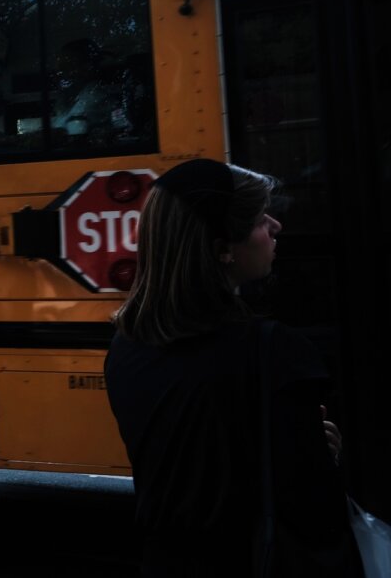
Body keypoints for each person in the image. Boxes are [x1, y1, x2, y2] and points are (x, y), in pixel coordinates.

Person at [105, 159, 362, 576]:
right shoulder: (274, 351)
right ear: (223, 247)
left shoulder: (127, 347)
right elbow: (313, 505)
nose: (275, 226)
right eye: (261, 219)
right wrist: (322, 454)